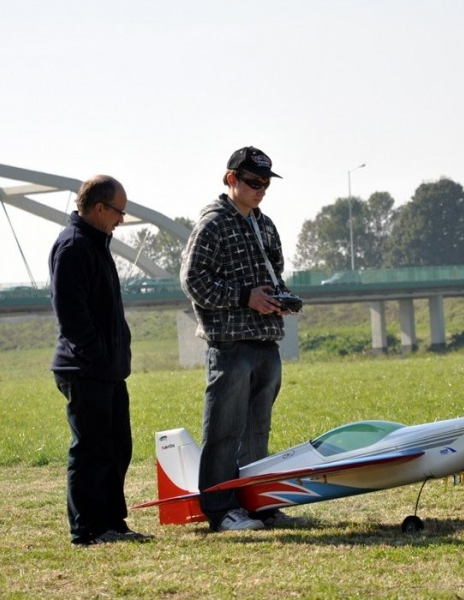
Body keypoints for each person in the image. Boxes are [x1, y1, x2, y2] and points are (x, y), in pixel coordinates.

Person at [181, 146, 304, 532]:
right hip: (230, 344)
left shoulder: (265, 225)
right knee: (224, 432)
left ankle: (258, 504)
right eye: (253, 182)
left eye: (266, 183)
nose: (260, 189)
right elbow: (193, 280)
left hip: (266, 341)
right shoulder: (213, 224)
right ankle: (220, 511)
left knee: (256, 432)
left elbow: (274, 274)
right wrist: (244, 297)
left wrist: (281, 299)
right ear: (231, 179)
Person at [49, 175, 153, 546]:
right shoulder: (74, 246)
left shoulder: (95, 243)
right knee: (91, 450)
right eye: (119, 212)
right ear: (99, 208)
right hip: (85, 369)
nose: (121, 219)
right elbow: (72, 315)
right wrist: (98, 354)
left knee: (117, 448)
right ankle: (88, 529)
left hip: (106, 370)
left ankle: (112, 523)